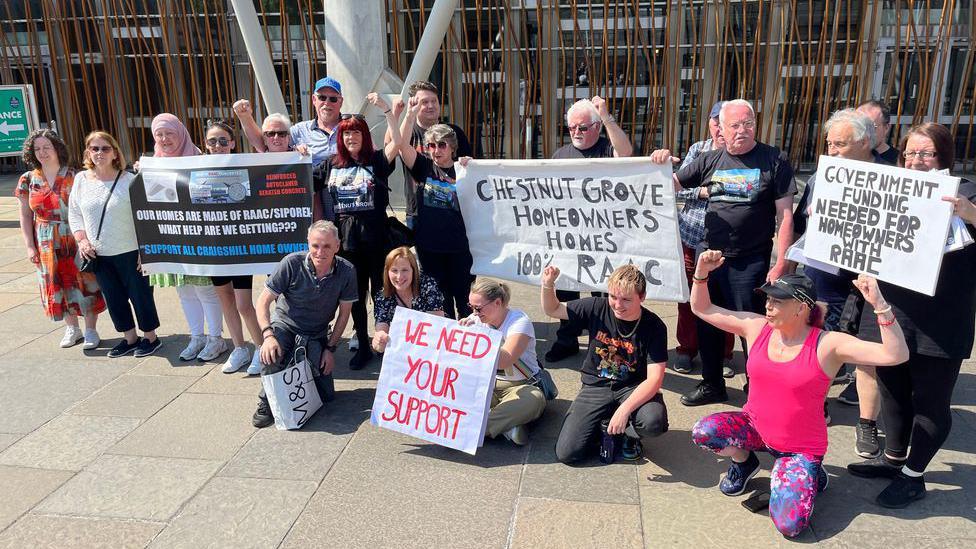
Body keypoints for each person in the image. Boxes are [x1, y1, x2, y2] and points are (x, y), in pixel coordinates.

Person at [689, 250, 908, 538]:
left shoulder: (828, 344)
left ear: (801, 308)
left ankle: (812, 472)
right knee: (704, 432)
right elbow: (702, 309)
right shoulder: (757, 328)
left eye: (777, 301)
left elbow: (895, 354)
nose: (768, 306)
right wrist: (701, 274)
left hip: (799, 447)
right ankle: (745, 463)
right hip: (755, 427)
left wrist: (880, 305)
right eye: (768, 299)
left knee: (790, 525)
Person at [847, 123, 976, 509]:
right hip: (893, 312)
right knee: (892, 391)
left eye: (926, 154)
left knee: (931, 401)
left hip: (940, 320)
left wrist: (970, 213)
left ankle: (915, 475)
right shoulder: (889, 190)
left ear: (943, 158)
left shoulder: (965, 189)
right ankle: (895, 459)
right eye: (910, 154)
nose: (916, 161)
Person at [651, 99, 797, 406]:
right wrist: (660, 162)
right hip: (711, 258)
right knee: (708, 320)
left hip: (751, 260)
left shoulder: (774, 159)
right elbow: (669, 184)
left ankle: (758, 387)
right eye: (735, 125)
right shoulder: (709, 160)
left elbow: (785, 215)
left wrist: (783, 261)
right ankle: (712, 384)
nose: (742, 131)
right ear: (721, 128)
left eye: (748, 124)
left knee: (753, 328)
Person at [792, 108, 885, 458]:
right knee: (817, 340)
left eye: (840, 144)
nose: (831, 151)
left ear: (864, 141)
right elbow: (804, 219)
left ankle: (866, 423)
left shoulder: (891, 178)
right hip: (825, 270)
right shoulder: (823, 174)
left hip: (871, 275)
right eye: (829, 143)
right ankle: (817, 404)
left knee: (867, 348)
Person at [542, 264, 669, 464]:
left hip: (631, 386)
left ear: (642, 297)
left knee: (653, 421)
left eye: (626, 299)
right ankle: (604, 425)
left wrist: (625, 409)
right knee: (567, 453)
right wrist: (547, 285)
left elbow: (655, 378)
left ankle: (629, 434)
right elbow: (553, 309)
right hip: (596, 385)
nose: (618, 305)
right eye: (613, 297)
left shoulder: (654, 326)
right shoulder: (597, 307)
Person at [313, 93, 402, 369]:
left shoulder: (376, 160)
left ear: (364, 135)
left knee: (382, 292)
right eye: (346, 133)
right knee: (354, 294)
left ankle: (386, 342)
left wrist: (388, 112)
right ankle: (362, 344)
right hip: (346, 240)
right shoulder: (330, 163)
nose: (351, 137)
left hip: (376, 237)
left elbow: (397, 143)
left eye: (356, 133)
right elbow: (306, 183)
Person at [545, 96, 634, 363]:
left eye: (583, 127)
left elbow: (626, 153)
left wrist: (607, 117)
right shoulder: (560, 155)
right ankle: (567, 339)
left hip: (604, 237)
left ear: (596, 127)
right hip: (570, 236)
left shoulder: (608, 148)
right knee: (566, 290)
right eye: (572, 128)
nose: (577, 133)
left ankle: (606, 342)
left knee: (604, 292)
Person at [252, 221, 356, 428]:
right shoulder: (291, 263)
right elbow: (262, 301)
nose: (320, 252)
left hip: (316, 332)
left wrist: (330, 349)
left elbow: (344, 315)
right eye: (315, 245)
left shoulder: (347, 271)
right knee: (272, 355)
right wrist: (267, 336)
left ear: (337, 246)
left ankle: (308, 367)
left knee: (327, 396)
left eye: (327, 246)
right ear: (308, 243)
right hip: (285, 326)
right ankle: (266, 401)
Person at [69, 131, 161, 357]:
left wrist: (145, 249)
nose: (99, 153)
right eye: (95, 149)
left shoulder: (129, 180)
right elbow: (74, 214)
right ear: (88, 153)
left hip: (131, 251)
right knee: (114, 298)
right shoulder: (81, 180)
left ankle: (150, 337)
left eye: (105, 148)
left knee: (140, 296)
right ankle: (129, 338)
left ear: (114, 152)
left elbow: (146, 216)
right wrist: (81, 240)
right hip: (98, 254)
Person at [147, 113, 226, 363]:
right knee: (184, 290)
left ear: (180, 133)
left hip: (199, 238)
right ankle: (197, 336)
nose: (165, 139)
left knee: (205, 290)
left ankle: (216, 338)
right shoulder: (154, 164)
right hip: (171, 238)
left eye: (169, 133)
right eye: (159, 134)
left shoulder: (199, 161)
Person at [17, 129, 106, 349]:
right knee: (56, 284)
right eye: (37, 148)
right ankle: (72, 328)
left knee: (84, 281)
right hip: (45, 240)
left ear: (57, 148)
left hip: (74, 237)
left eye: (46, 147)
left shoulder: (75, 176)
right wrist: (29, 246)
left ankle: (91, 330)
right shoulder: (28, 179)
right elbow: (25, 215)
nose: (42, 152)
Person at [671, 102, 735, 376]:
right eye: (716, 121)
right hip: (692, 235)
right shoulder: (698, 150)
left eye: (726, 122)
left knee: (723, 299)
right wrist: (701, 192)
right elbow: (676, 190)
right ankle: (686, 348)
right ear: (709, 123)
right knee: (687, 297)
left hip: (725, 241)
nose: (720, 128)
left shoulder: (742, 155)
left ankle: (723, 353)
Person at [199, 118, 265, 375]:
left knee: (243, 304)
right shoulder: (197, 167)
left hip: (239, 245)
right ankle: (240, 348)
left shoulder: (245, 165)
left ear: (232, 143)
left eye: (223, 141)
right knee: (224, 298)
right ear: (205, 145)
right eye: (212, 141)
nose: (217, 145)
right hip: (214, 245)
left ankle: (261, 347)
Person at [397, 99, 474, 320]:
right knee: (440, 300)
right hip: (429, 247)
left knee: (464, 298)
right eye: (431, 145)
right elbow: (401, 144)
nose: (436, 150)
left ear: (452, 147)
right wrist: (409, 115)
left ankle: (468, 344)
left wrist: (473, 166)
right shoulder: (423, 167)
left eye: (441, 145)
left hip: (460, 247)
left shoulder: (465, 169)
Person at [464, 279, 546, 446]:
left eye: (478, 308)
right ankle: (507, 427)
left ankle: (471, 430)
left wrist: (475, 339)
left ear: (497, 302)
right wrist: (459, 335)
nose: (474, 312)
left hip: (520, 386)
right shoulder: (476, 319)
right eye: (471, 306)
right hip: (487, 384)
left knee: (534, 400)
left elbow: (505, 360)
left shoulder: (519, 322)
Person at [385, 80, 473, 229]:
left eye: (434, 101)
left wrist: (468, 162)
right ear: (414, 104)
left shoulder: (454, 132)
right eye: (424, 102)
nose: (431, 106)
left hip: (454, 210)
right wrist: (404, 115)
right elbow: (393, 146)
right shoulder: (408, 132)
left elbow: (472, 169)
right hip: (419, 213)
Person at [234, 77, 342, 164]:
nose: (327, 103)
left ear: (340, 102)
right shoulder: (299, 130)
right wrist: (245, 117)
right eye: (322, 98)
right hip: (313, 189)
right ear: (314, 99)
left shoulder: (353, 129)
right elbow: (265, 144)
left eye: (333, 99)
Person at [371, 246, 445, 353]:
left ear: (413, 270)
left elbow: (436, 324)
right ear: (387, 272)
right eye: (394, 270)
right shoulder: (382, 296)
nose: (399, 276)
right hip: (404, 352)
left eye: (404, 270)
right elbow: (381, 331)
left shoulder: (428, 285)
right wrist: (379, 340)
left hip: (431, 346)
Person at [856, 100, 900, 165]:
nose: (863, 132)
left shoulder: (899, 162)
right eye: (858, 125)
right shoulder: (845, 154)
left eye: (870, 127)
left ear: (886, 128)